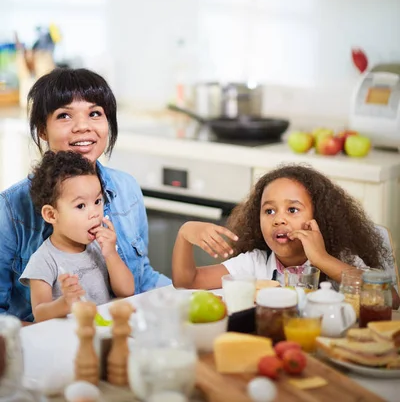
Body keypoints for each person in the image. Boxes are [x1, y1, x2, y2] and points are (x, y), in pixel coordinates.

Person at [0, 68, 171, 322]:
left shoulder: (127, 189)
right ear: (43, 130)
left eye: (94, 113)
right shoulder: (11, 208)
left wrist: (183, 295)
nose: (82, 127)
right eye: (64, 115)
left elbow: (142, 276)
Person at [172, 164, 400, 308]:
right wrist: (184, 233)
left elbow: (390, 299)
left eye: (292, 210)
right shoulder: (257, 262)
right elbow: (188, 282)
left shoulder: (340, 258)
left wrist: (321, 259)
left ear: (319, 216)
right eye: (269, 211)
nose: (278, 219)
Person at [20, 151, 135, 322]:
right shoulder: (44, 260)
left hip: (104, 330)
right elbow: (39, 314)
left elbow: (126, 291)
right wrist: (65, 303)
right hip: (71, 340)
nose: (94, 213)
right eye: (81, 206)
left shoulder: (99, 246)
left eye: (97, 201)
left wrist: (111, 253)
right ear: (51, 215)